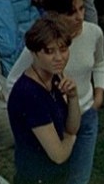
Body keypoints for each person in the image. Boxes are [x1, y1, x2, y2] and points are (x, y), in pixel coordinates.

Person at [6, 0, 104, 184]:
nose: (80, 17)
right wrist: (27, 118)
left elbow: (100, 63)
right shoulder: (40, 48)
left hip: (82, 112)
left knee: (78, 177)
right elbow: (13, 84)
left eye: (82, 9)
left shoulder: (94, 33)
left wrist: (97, 95)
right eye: (71, 12)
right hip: (54, 121)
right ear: (54, 15)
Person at [7, 16, 81, 184]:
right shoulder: (29, 94)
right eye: (49, 51)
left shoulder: (53, 78)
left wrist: (73, 97)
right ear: (34, 53)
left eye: (63, 49)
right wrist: (70, 138)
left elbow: (72, 127)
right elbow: (58, 155)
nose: (59, 57)